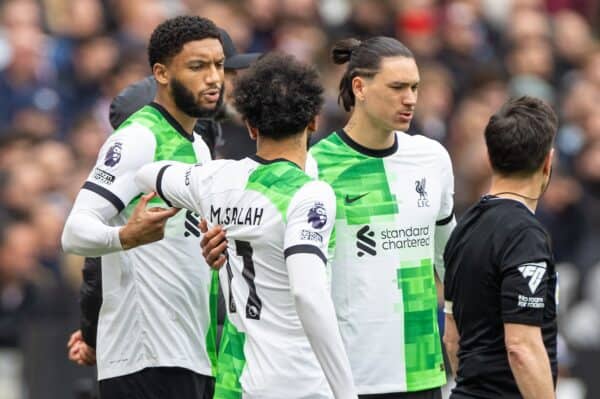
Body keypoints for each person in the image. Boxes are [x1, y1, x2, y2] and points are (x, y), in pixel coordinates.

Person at [202, 37, 456, 399]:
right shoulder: (316, 167)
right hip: (347, 378)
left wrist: (454, 315)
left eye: (415, 87)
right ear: (360, 87)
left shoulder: (432, 159)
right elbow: (274, 252)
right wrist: (221, 245)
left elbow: (448, 255)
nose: (411, 99)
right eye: (398, 87)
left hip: (422, 370)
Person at [135, 52, 357, 399]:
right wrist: (346, 393)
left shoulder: (215, 181)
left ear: (251, 126)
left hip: (237, 380)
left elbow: (148, 172)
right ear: (314, 120)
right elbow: (307, 294)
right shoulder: (311, 194)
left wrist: (206, 213)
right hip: (298, 382)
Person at [67, 26, 260, 369]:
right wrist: (125, 236)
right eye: (200, 66)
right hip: (145, 355)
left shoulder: (199, 146)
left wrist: (213, 248)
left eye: (219, 66)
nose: (216, 79)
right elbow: (74, 233)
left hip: (195, 352)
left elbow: (183, 245)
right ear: (162, 73)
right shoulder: (139, 137)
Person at [443, 96, 558, 399]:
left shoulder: (462, 229)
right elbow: (521, 346)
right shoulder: (525, 235)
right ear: (548, 162)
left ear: (491, 159)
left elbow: (452, 339)